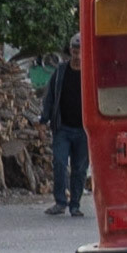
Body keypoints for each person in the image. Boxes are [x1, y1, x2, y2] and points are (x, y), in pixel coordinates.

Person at [38, 34, 88, 218]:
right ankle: (60, 202)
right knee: (59, 162)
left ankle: (75, 204)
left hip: (84, 130)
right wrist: (43, 121)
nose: (77, 56)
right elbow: (49, 98)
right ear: (70, 51)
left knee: (80, 168)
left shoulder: (90, 74)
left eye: (81, 52)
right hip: (63, 128)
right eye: (75, 51)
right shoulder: (60, 72)